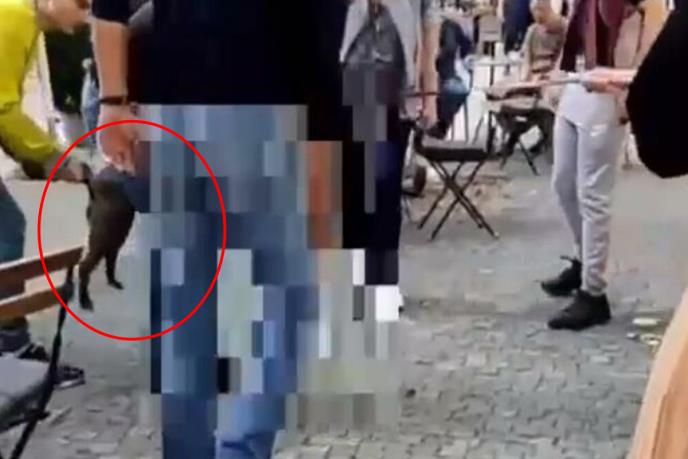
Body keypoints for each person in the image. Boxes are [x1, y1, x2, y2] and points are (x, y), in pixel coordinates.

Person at [92, 0, 352, 458]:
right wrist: (323, 141)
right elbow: (320, 28)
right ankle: (240, 449)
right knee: (281, 304)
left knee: (181, 309)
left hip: (171, 112)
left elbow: (109, 6)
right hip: (271, 111)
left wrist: (113, 103)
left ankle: (189, 451)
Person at [541, 0, 664, 331]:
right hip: (578, 80)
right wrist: (559, 72)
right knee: (563, 184)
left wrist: (629, 96)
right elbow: (574, 25)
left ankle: (593, 292)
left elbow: (652, 36)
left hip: (610, 88)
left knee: (593, 195)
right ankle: (583, 262)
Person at [0, 0, 92, 358]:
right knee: (7, 231)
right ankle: (10, 343)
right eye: (82, 4)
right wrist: (53, 157)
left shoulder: (22, 19)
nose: (86, 16)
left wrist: (36, 161)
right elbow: (3, 109)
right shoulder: (13, 17)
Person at [427, 14, 474, 139]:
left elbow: (467, 49)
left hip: (447, 77)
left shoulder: (450, 26)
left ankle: (441, 127)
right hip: (427, 79)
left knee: (456, 91)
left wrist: (467, 61)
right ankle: (435, 129)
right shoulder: (418, 26)